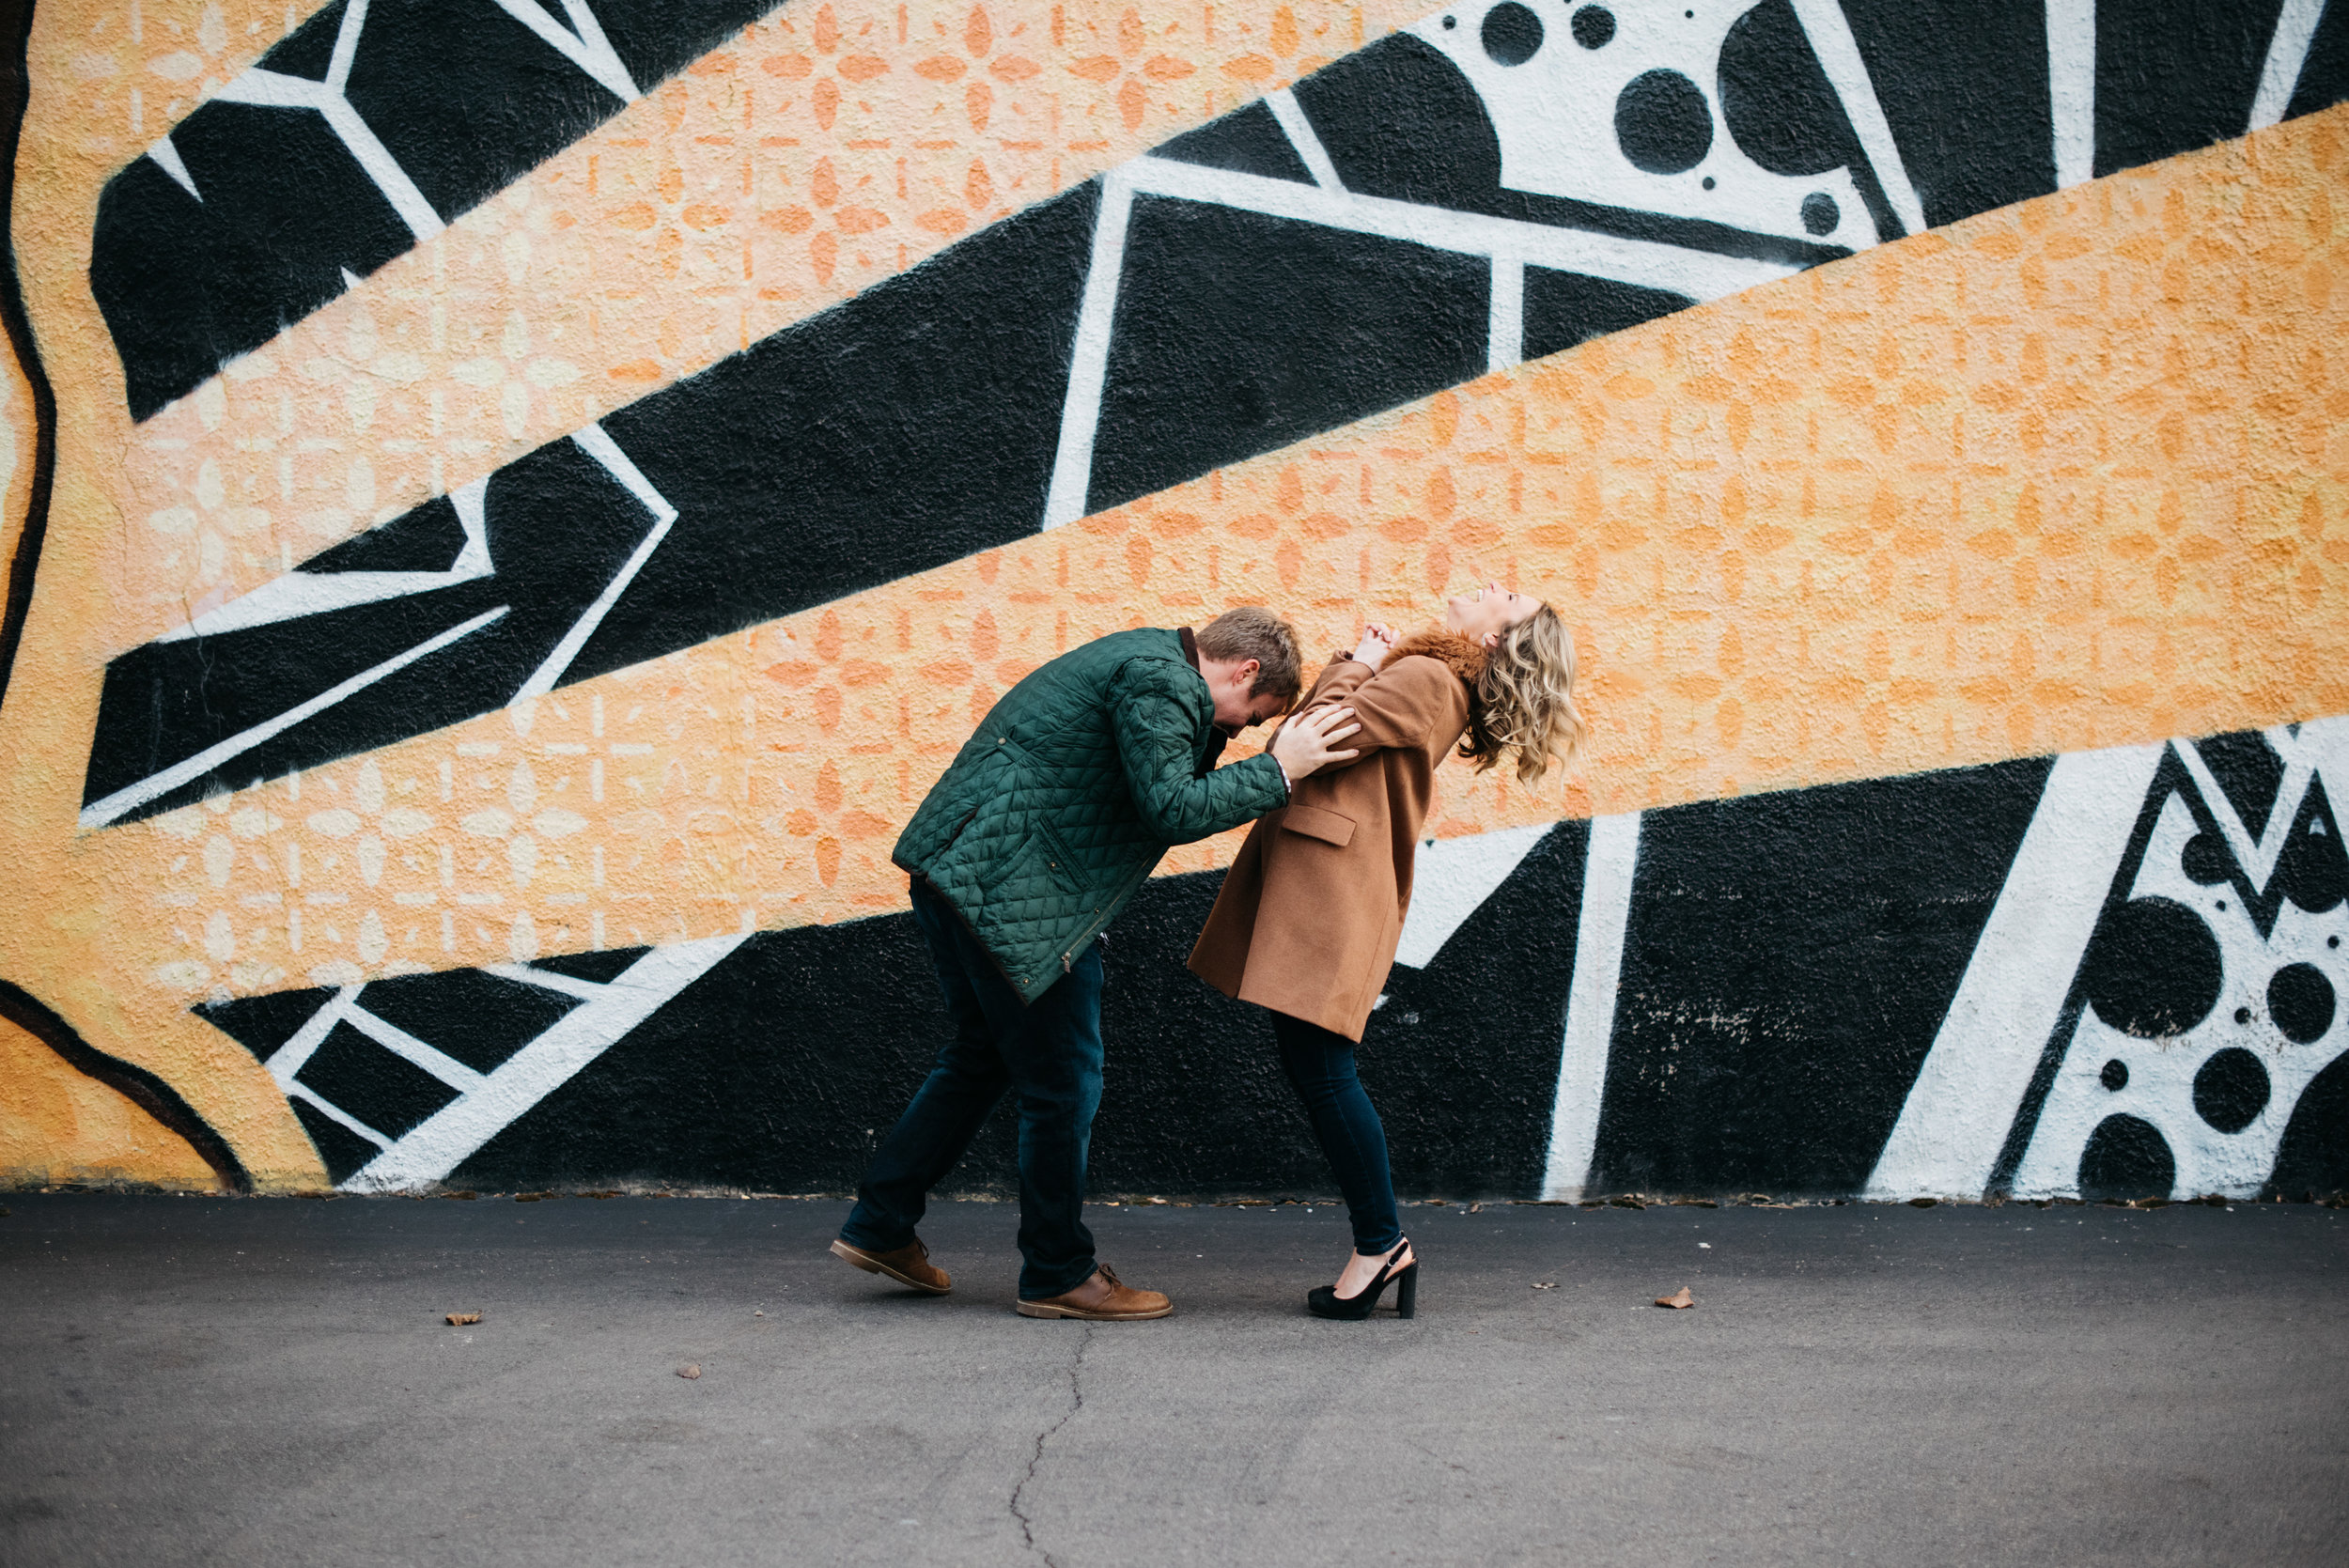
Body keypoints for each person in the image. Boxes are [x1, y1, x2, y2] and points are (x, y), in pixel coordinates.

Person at [831, 608, 1363, 1320]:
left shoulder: (1145, 659)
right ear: (1245, 671)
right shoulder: (1164, 683)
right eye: (1250, 715)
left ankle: (881, 1224)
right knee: (1065, 1083)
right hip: (1018, 898)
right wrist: (1278, 770)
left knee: (979, 1058)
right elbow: (1170, 806)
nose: (1236, 730)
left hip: (961, 874)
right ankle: (1057, 1270)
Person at [1188, 583, 1585, 1319]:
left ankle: (1381, 1244)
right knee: (1319, 1069)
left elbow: (1300, 740)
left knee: (1326, 1073)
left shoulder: (1428, 676)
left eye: (1510, 596)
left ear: (1497, 640)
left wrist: (1355, 660)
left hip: (1329, 893)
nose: (1493, 586)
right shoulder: (1436, 677)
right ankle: (1380, 1241)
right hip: (1330, 884)